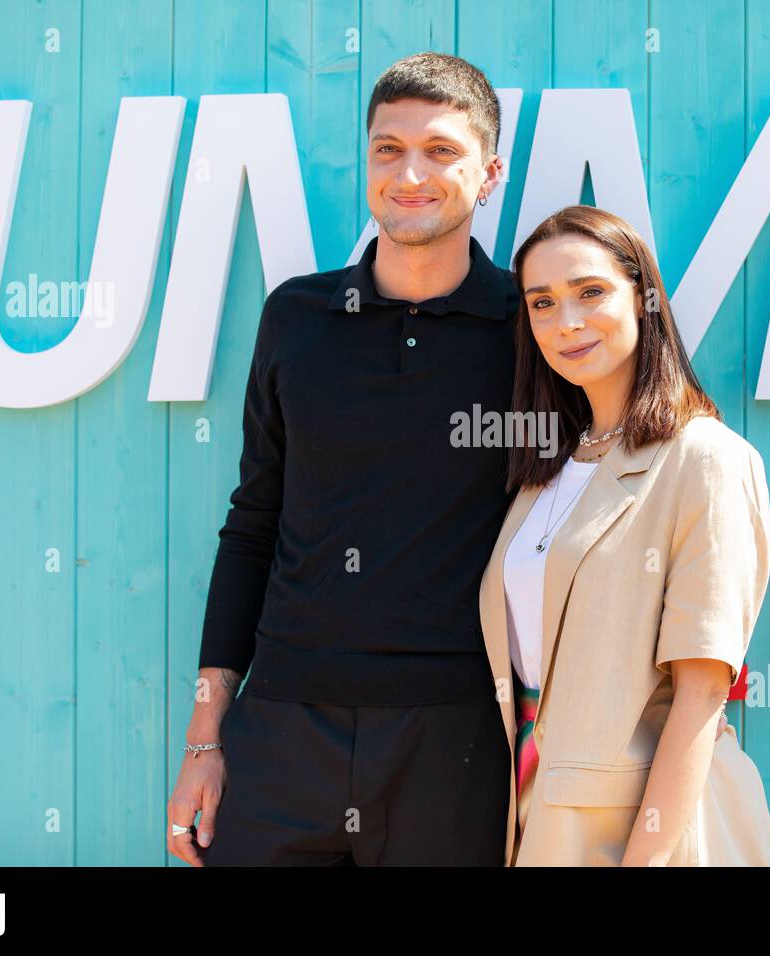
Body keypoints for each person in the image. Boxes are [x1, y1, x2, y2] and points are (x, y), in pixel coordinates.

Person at [166, 52, 518, 866]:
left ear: (489, 172)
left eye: (440, 150)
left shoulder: (528, 331)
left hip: (456, 741)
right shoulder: (297, 316)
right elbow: (252, 525)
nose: (409, 174)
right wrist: (204, 738)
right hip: (283, 731)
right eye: (387, 149)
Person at [479, 204, 770, 866]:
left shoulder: (706, 459)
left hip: (654, 835)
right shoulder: (546, 471)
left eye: (591, 292)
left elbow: (701, 694)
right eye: (543, 302)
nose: (568, 322)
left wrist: (641, 862)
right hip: (536, 823)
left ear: (644, 301)